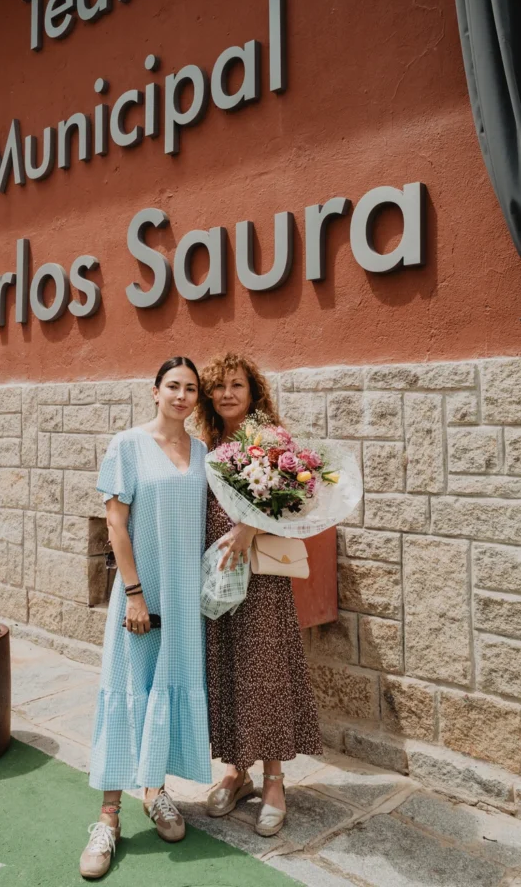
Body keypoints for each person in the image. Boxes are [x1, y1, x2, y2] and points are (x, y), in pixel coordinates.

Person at [80, 357, 212, 880]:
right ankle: (108, 817)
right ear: (155, 391)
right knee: (128, 686)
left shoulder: (201, 451)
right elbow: (116, 526)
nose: (181, 396)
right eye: (173, 386)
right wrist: (133, 593)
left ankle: (156, 793)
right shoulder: (126, 446)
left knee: (168, 688)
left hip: (185, 599)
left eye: (190, 389)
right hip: (143, 594)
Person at [195, 352, 323, 838]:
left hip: (262, 577)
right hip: (218, 576)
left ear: (253, 393)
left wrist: (248, 528)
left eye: (237, 385)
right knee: (226, 668)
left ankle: (273, 781)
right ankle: (235, 770)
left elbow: (296, 498)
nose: (228, 393)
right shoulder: (207, 443)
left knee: (264, 671)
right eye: (219, 386)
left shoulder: (270, 439)